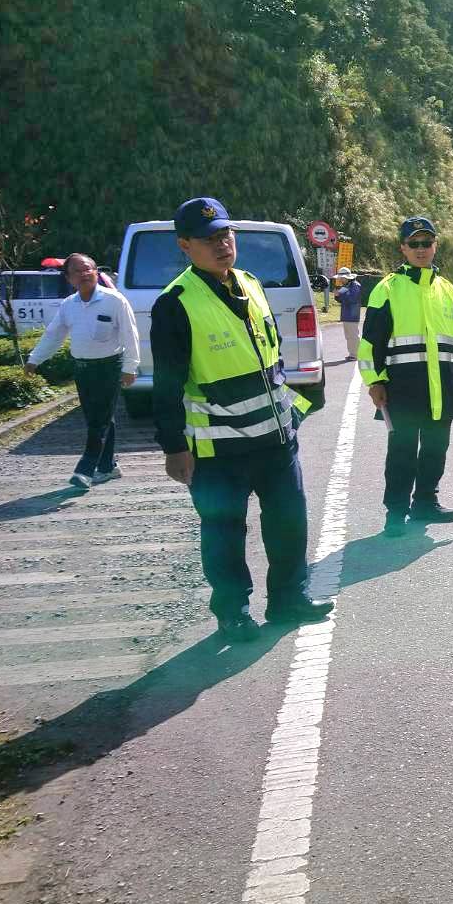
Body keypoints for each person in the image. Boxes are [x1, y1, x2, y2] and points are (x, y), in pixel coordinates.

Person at [151, 197, 334, 642]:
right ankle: (232, 613)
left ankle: (288, 598)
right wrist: (174, 447)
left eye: (225, 235)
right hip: (219, 449)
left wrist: (295, 415)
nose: (221, 245)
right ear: (185, 245)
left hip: (276, 439)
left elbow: (272, 356)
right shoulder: (175, 303)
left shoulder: (251, 283)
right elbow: (167, 385)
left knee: (289, 523)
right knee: (224, 533)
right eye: (208, 239)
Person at [358, 215, 453, 537]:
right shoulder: (388, 289)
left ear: (435, 246)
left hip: (443, 386)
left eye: (426, 242)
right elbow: (370, 342)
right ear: (402, 248)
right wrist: (374, 381)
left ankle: (425, 502)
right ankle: (395, 512)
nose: (421, 248)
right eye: (413, 243)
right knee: (401, 451)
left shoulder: (448, 290)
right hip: (403, 388)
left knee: (436, 448)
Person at [25, 253, 138, 489]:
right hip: (83, 369)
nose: (84, 274)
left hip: (109, 367)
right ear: (69, 278)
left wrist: (130, 367)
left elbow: (130, 334)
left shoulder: (114, 300)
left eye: (89, 269)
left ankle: (85, 469)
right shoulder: (69, 305)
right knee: (98, 418)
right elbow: (54, 335)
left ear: (96, 272)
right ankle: (108, 467)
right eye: (77, 271)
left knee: (99, 420)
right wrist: (35, 360)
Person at [334, 270, 362, 362]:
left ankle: (356, 354)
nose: (340, 280)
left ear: (346, 278)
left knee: (353, 335)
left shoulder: (355, 285)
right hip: (347, 314)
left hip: (352, 314)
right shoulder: (348, 285)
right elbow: (342, 299)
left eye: (341, 278)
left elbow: (352, 299)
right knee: (349, 336)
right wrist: (337, 296)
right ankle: (352, 354)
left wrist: (340, 294)